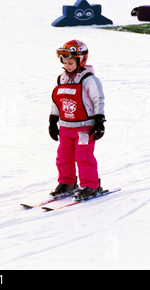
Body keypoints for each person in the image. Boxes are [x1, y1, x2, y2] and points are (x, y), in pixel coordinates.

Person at [48, 40, 106, 201]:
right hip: (66, 126)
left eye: (71, 63)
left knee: (83, 156)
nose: (67, 66)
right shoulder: (62, 79)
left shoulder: (89, 80)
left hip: (84, 127)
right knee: (63, 156)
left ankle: (90, 185)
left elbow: (98, 100)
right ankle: (67, 182)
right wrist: (53, 121)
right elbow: (56, 101)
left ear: (81, 60)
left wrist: (99, 121)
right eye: (65, 62)